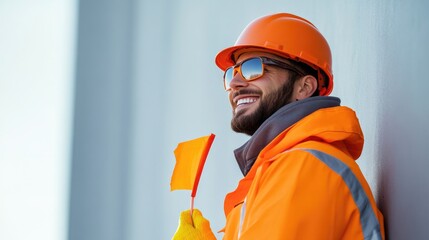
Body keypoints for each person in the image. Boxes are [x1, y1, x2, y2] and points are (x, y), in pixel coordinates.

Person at [173, 12, 385, 240]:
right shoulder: (276, 170)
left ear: (304, 88)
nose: (234, 83)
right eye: (232, 73)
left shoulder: (304, 164)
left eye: (253, 68)